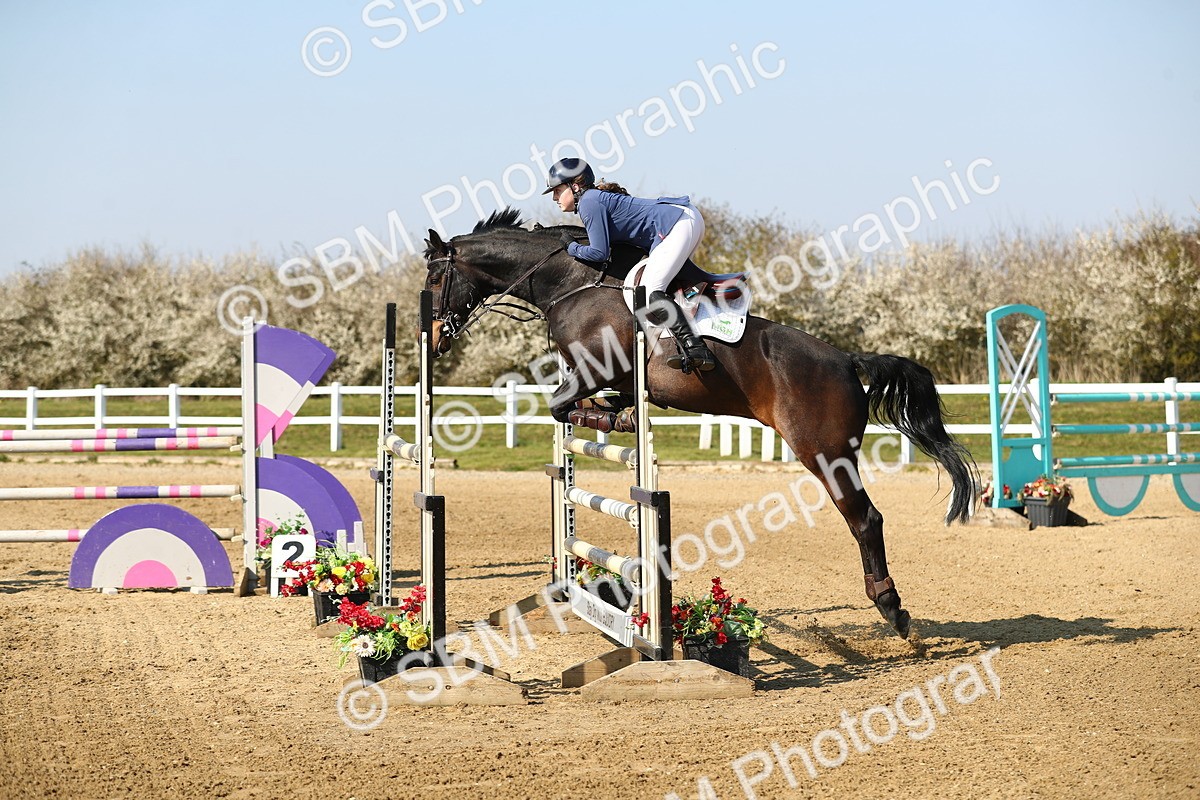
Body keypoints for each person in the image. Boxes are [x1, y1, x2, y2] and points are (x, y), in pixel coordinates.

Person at [543, 157, 716, 372]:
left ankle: (695, 347)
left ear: (575, 186)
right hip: (682, 219)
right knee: (658, 285)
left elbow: (599, 253)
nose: (554, 198)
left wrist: (571, 248)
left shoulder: (589, 201)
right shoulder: (592, 200)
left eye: (557, 191)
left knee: (650, 289)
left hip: (677, 223)